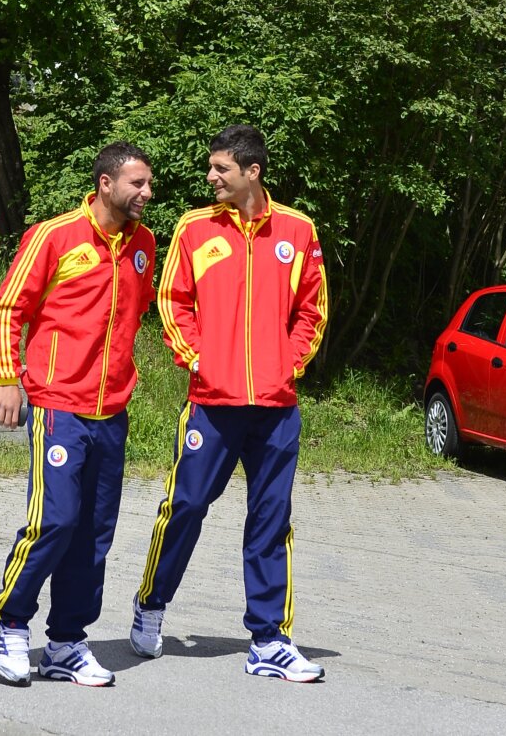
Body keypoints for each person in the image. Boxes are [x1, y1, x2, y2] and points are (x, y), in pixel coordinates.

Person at [130, 124, 328, 683]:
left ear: (252, 172)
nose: (211, 176)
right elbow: (172, 300)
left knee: (271, 519)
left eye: (221, 168)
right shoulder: (195, 228)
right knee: (186, 505)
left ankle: (269, 639)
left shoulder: (298, 230)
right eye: (211, 167)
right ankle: (151, 603)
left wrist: (288, 365)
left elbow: (312, 309)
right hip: (212, 404)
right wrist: (199, 359)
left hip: (276, 407)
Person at [0, 142, 157, 687]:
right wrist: (9, 378)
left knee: (94, 534)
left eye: (148, 183)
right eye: (137, 183)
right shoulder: (54, 236)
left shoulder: (143, 244)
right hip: (59, 404)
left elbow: (134, 313)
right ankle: (10, 619)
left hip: (112, 410)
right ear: (106, 183)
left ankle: (66, 642)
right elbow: (7, 310)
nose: (147, 192)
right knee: (54, 520)